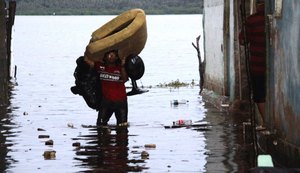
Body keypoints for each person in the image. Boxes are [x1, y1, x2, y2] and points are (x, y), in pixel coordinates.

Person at [84, 50, 129, 127]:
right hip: (106, 102)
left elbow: (125, 79)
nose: (111, 56)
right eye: (108, 54)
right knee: (100, 125)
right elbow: (87, 60)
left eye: (113, 55)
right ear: (104, 57)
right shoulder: (100, 66)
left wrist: (123, 66)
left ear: (117, 57)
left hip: (121, 102)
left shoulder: (120, 68)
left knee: (122, 126)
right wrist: (89, 48)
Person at [239, 1, 266, 128]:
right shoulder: (271, 19)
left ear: (257, 4)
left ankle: (266, 123)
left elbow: (243, 40)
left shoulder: (251, 20)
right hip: (271, 68)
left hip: (257, 65)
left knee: (259, 95)